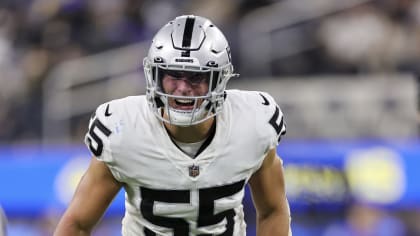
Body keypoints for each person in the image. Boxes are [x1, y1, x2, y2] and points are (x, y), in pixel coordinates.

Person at [54, 15, 292, 236]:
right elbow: (77, 224)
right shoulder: (123, 130)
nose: (183, 88)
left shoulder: (252, 123)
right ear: (155, 76)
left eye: (196, 76)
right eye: (173, 75)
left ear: (218, 80)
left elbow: (273, 210)